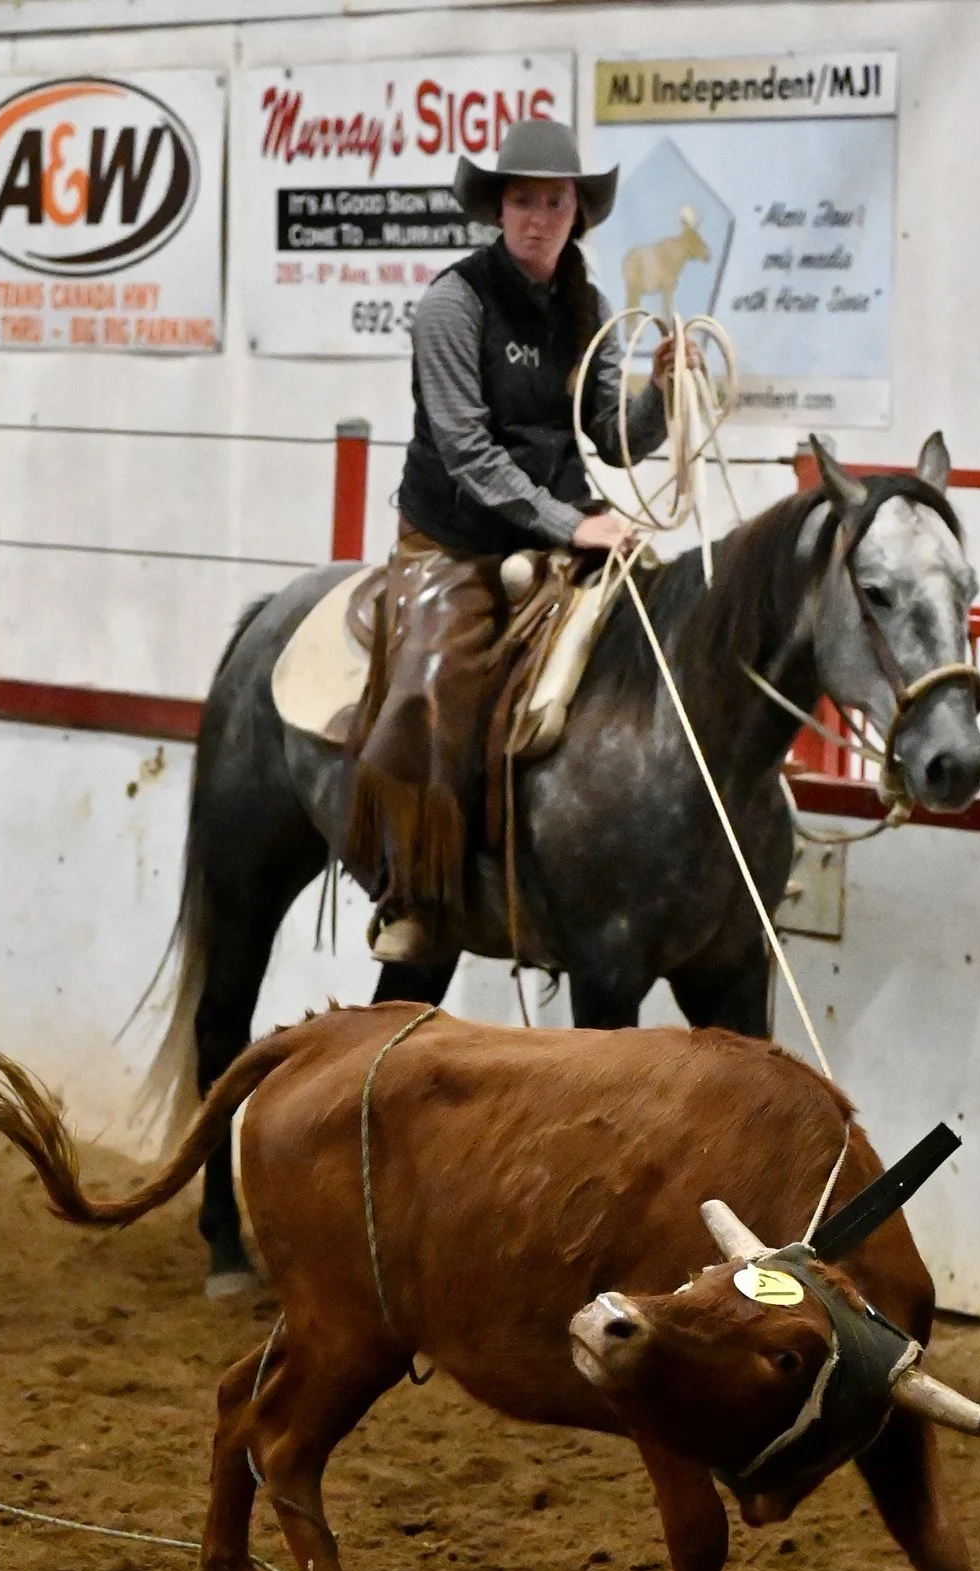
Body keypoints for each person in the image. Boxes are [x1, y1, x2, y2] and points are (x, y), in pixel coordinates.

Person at [354, 118, 684, 963]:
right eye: (523, 201)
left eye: (554, 202)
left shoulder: (589, 308)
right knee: (430, 692)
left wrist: (660, 395)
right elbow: (466, 452)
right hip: (455, 540)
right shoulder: (452, 305)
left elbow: (613, 438)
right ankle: (414, 890)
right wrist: (573, 523)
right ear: (498, 210)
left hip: (563, 530)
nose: (539, 218)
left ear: (577, 213)